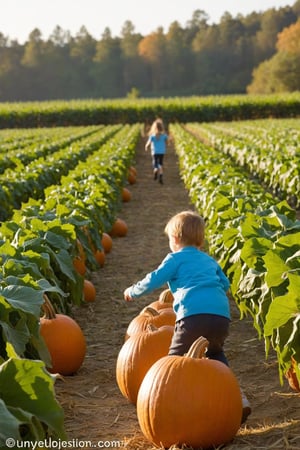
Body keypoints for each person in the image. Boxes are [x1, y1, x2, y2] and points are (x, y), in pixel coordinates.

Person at [123, 210, 251, 424]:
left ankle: (166, 404)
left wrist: (132, 291)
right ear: (200, 239)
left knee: (174, 361)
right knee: (216, 355)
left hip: (192, 315)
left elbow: (154, 279)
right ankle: (238, 398)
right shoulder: (209, 261)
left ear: (175, 239)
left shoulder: (175, 259)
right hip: (220, 316)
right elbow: (226, 284)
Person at [145, 118, 168, 184]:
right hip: (162, 152)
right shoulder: (164, 136)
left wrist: (146, 146)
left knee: (155, 163)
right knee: (160, 164)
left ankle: (155, 170)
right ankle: (160, 175)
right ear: (162, 127)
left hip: (154, 152)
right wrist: (166, 144)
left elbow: (148, 143)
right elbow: (167, 142)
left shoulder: (152, 136)